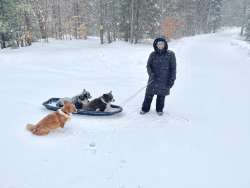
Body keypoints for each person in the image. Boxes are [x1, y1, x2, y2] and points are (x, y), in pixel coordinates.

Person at [140, 37, 176, 116]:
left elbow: (173, 69)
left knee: (161, 96)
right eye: (158, 44)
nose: (160, 45)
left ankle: (159, 109)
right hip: (153, 79)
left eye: (162, 44)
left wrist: (172, 80)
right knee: (148, 95)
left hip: (164, 80)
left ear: (165, 44)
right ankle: (145, 109)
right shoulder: (152, 54)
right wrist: (151, 74)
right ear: (156, 45)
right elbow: (148, 66)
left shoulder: (170, 55)